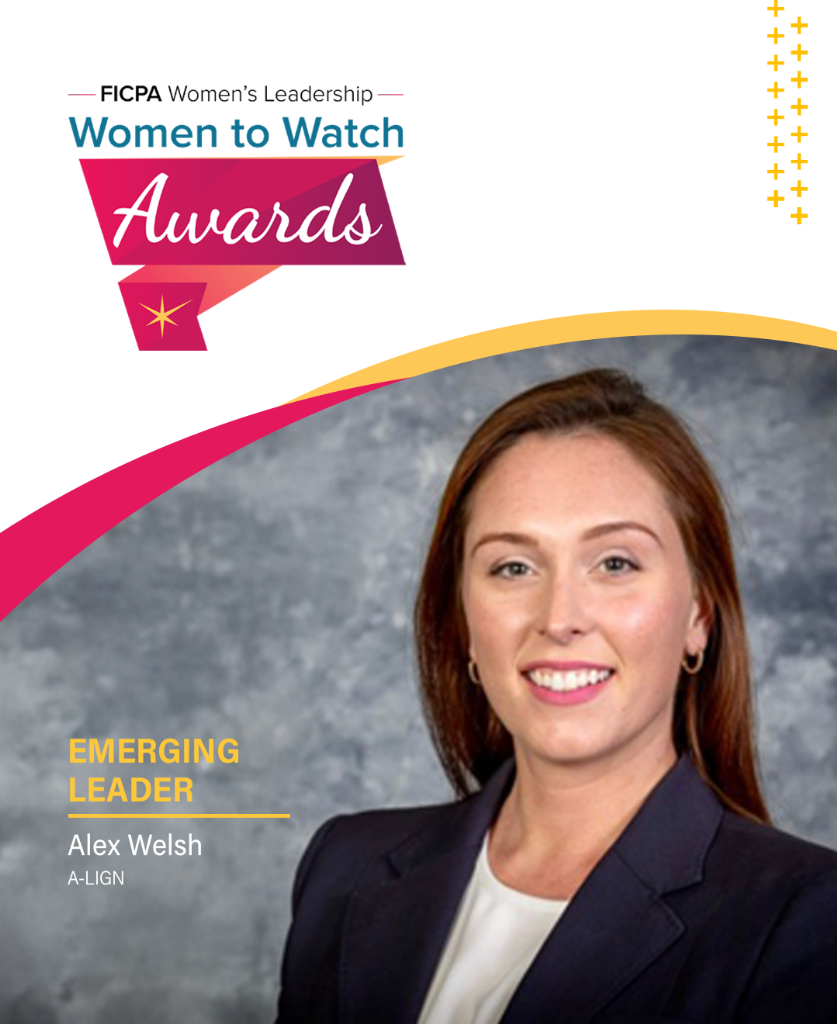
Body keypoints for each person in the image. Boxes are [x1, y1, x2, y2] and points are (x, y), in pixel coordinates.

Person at [275, 368, 837, 1024]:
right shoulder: (344, 868)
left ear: (698, 618)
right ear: (463, 623)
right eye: (513, 567)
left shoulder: (805, 917)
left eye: (615, 563)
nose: (559, 618)